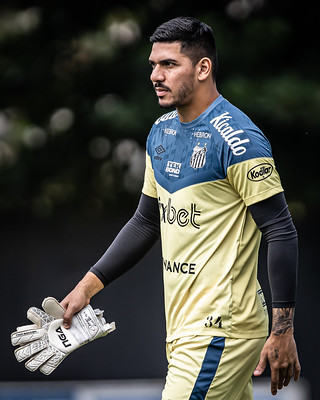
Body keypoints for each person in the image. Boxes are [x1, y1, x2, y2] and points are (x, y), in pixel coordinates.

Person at [60, 17, 300, 400]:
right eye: (153, 65)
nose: (156, 75)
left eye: (169, 64)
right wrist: (88, 286)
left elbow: (281, 230)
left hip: (221, 327)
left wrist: (283, 330)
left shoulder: (238, 139)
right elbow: (145, 222)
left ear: (203, 68)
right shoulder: (161, 131)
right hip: (184, 327)